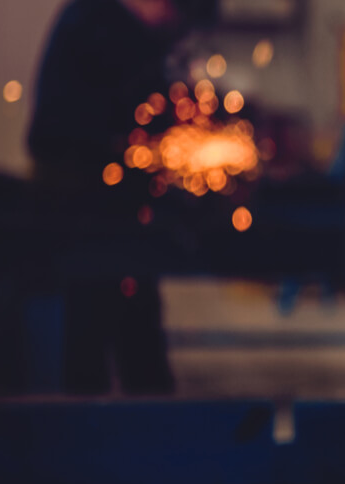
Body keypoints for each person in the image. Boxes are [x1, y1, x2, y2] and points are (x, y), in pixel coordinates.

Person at [23, 0, 213, 394]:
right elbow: (75, 131)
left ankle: (143, 409)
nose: (174, 29)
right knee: (95, 315)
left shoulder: (123, 28)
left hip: (112, 201)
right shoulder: (97, 25)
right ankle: (90, 419)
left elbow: (156, 107)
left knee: (133, 305)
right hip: (79, 198)